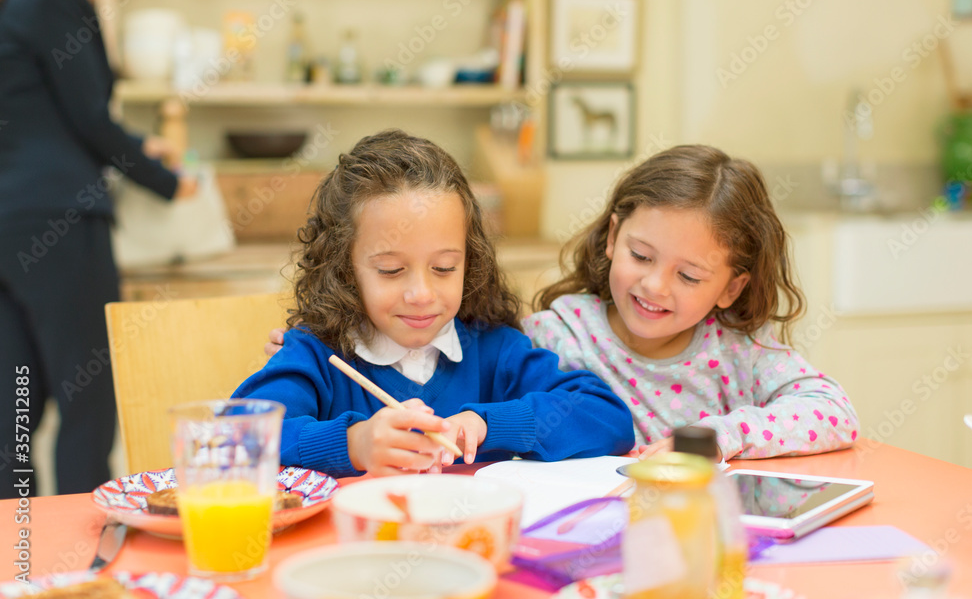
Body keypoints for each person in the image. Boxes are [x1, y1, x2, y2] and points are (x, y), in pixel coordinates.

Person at [233, 130, 634, 477]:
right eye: (391, 270)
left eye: (444, 268)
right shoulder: (316, 353)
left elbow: (606, 417)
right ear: (344, 269)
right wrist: (353, 444)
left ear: (469, 262)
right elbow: (239, 436)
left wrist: (488, 424)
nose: (422, 294)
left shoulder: (494, 349)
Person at [0, 0, 197, 497]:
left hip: (13, 220)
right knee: (89, 399)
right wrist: (168, 180)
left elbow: (55, 119)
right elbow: (90, 118)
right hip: (62, 219)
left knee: (16, 407)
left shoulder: (18, 0)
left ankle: (19, 559)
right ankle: (86, 556)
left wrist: (138, 146)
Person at [528, 144, 858, 461]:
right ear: (613, 237)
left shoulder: (739, 349)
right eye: (641, 256)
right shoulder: (558, 336)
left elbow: (835, 412)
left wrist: (720, 437)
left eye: (688, 276)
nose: (655, 286)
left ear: (731, 288)